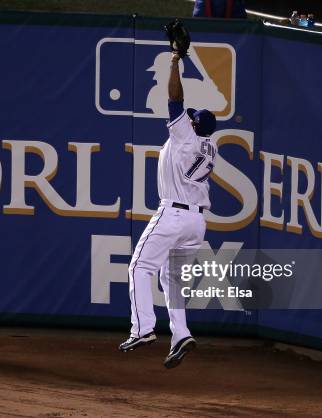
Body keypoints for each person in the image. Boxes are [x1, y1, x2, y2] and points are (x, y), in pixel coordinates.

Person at [119, 51, 217, 369]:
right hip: (196, 222)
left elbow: (175, 97)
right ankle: (180, 334)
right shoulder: (209, 144)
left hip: (173, 214)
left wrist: (175, 61)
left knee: (139, 268)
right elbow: (182, 110)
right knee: (171, 280)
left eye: (190, 118)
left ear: (193, 124)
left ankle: (143, 329)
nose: (184, 118)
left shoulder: (185, 135)